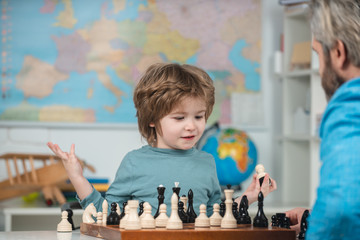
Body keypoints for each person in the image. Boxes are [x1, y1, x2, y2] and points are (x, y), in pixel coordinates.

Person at [47, 63, 277, 216]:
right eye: (179, 117)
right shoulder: (134, 162)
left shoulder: (206, 161)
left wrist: (249, 197)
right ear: (152, 120)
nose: (192, 125)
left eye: (199, 116)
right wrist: (76, 176)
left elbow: (217, 214)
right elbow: (104, 213)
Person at [285, 1, 360, 239]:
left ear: (338, 53)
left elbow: (343, 211)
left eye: (318, 53)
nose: (319, 70)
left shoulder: (350, 104)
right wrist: (315, 216)